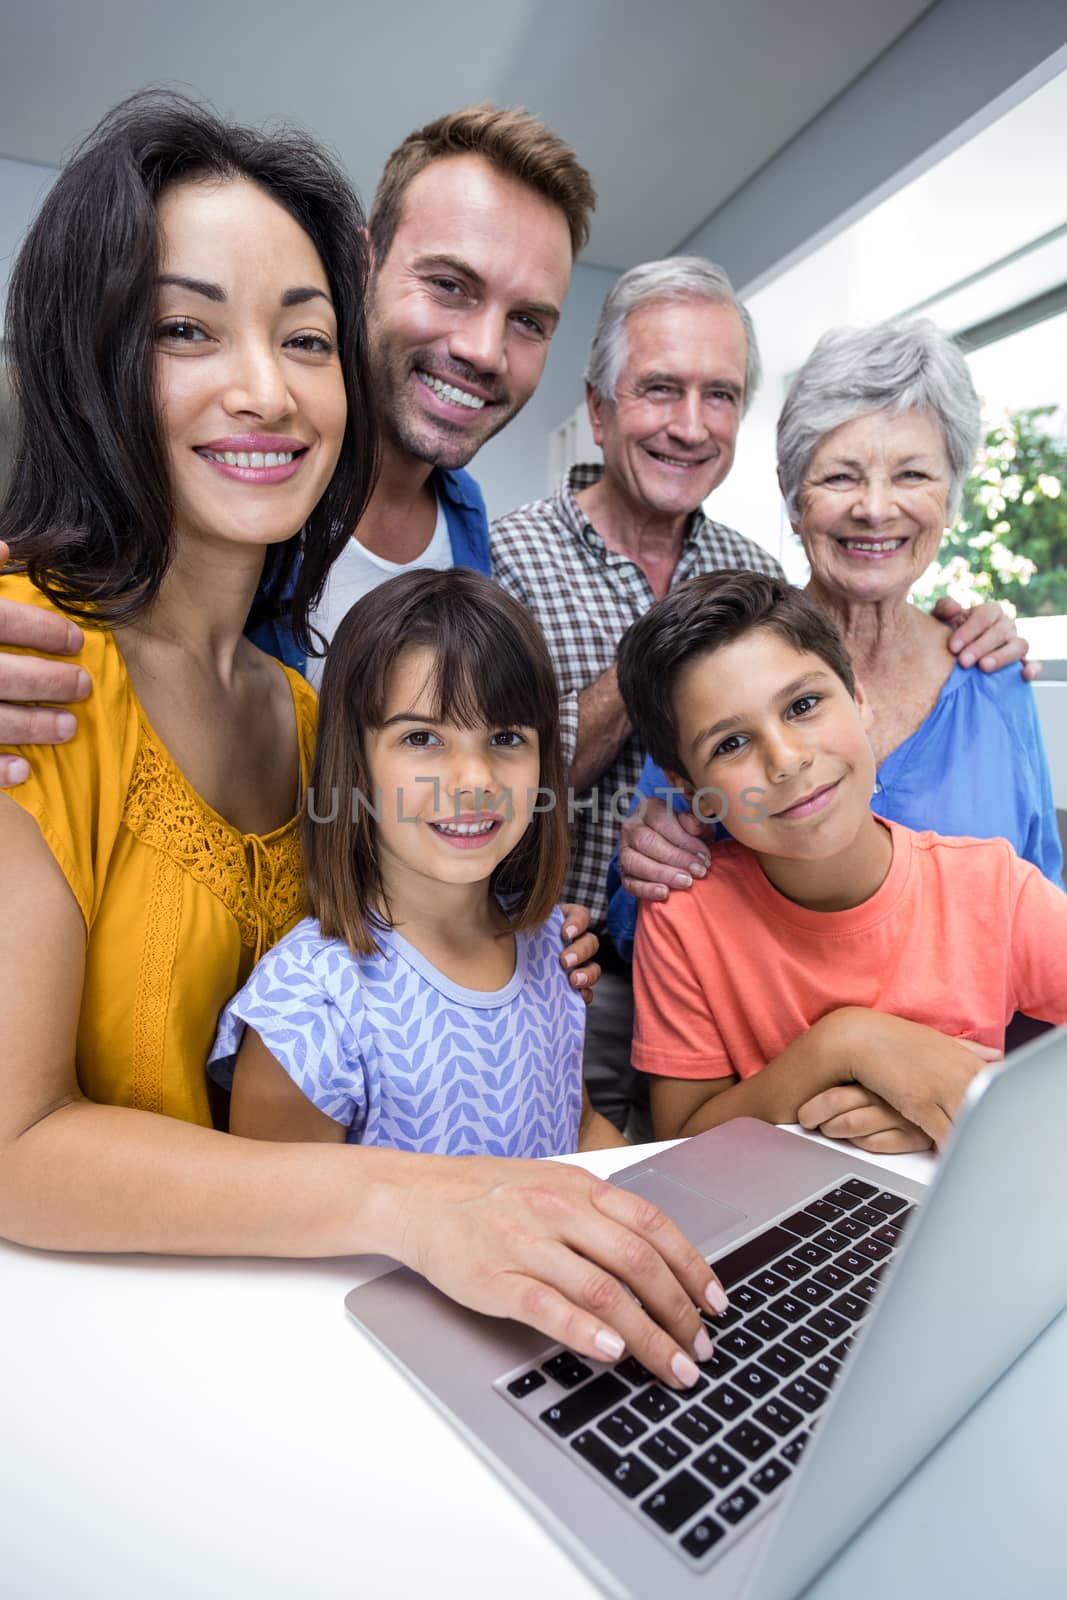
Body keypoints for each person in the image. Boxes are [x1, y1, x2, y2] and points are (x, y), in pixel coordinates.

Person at [0, 95, 727, 1391]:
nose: (264, 387)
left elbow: (395, 896)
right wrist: (409, 1202)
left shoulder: (304, 703)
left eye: (302, 340)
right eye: (184, 328)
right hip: (87, 1352)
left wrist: (499, 922)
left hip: (307, 1332)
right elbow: (18, 1140)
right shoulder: (31, 667)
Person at [491, 264, 1027, 1129]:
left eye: (720, 396)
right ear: (597, 409)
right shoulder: (513, 558)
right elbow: (492, 778)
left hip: (935, 1092)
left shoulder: (764, 580)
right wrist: (672, 646)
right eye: (660, 389)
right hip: (596, 987)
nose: (691, 424)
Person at [612, 317, 1060, 957]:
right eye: (842, 476)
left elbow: (1043, 899)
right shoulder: (721, 666)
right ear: (792, 497)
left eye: (912, 475)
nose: (876, 508)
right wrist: (650, 862)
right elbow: (644, 918)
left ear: (952, 498)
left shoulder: (995, 675)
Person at [615, 571, 1067, 1150]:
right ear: (687, 784)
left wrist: (969, 1100)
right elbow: (681, 1140)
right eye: (730, 744)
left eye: (803, 705)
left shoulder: (995, 890)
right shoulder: (684, 918)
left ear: (859, 700)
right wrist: (846, 1045)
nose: (785, 761)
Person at [211, 568, 627, 1157]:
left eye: (507, 738)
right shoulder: (308, 1012)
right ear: (354, 763)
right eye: (421, 739)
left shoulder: (552, 949)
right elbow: (282, 1234)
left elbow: (580, 1130)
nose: (474, 780)